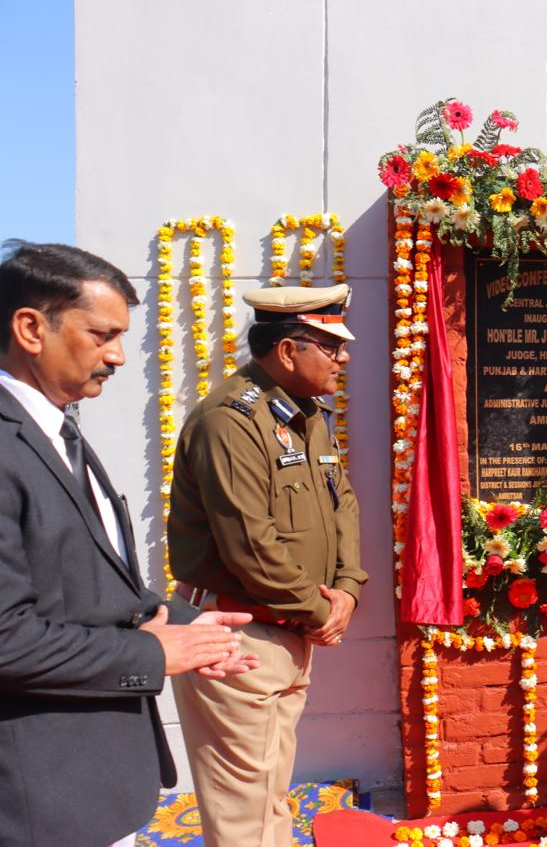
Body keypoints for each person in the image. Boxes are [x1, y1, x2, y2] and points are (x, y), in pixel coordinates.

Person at [0, 241, 257, 847]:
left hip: (94, 784)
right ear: (31, 327)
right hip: (40, 800)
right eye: (102, 334)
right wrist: (153, 655)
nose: (117, 355)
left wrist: (194, 629)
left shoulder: (57, 428)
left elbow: (91, 585)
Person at [169, 285, 367, 847]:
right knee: (243, 817)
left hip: (284, 632)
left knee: (268, 802)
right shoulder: (229, 422)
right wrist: (318, 610)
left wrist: (348, 589)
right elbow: (249, 543)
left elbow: (342, 505)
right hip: (235, 637)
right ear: (287, 350)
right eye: (330, 346)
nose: (342, 358)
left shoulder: (307, 416)